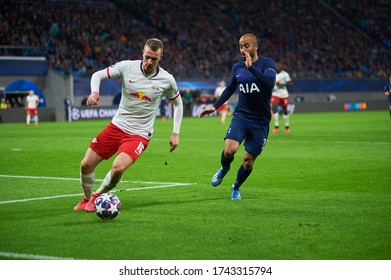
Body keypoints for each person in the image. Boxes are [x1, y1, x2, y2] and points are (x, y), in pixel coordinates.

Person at [74, 38, 183, 212]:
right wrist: (95, 91)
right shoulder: (127, 67)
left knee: (117, 168)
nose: (149, 62)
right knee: (85, 165)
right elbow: (97, 75)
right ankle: (85, 198)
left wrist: (175, 132)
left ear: (160, 58)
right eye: (147, 57)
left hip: (139, 134)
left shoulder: (166, 79)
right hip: (117, 126)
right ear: (143, 53)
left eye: (154, 59)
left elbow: (178, 103)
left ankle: (97, 196)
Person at [199, 33, 276, 200]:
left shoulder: (267, 63)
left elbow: (270, 83)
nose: (243, 49)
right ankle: (224, 169)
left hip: (261, 121)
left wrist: (251, 68)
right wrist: (215, 106)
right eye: (240, 46)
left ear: (255, 47)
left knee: (248, 161)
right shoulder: (237, 67)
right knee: (229, 150)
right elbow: (229, 88)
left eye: (246, 45)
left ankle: (236, 186)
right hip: (242, 116)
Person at [271, 63, 292, 133]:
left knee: (285, 110)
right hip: (275, 93)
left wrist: (281, 85)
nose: (277, 68)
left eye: (278, 66)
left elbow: (290, 83)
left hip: (284, 94)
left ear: (280, 67)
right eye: (276, 67)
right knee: (274, 107)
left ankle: (287, 126)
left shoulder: (285, 74)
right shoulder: (272, 73)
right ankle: (276, 126)